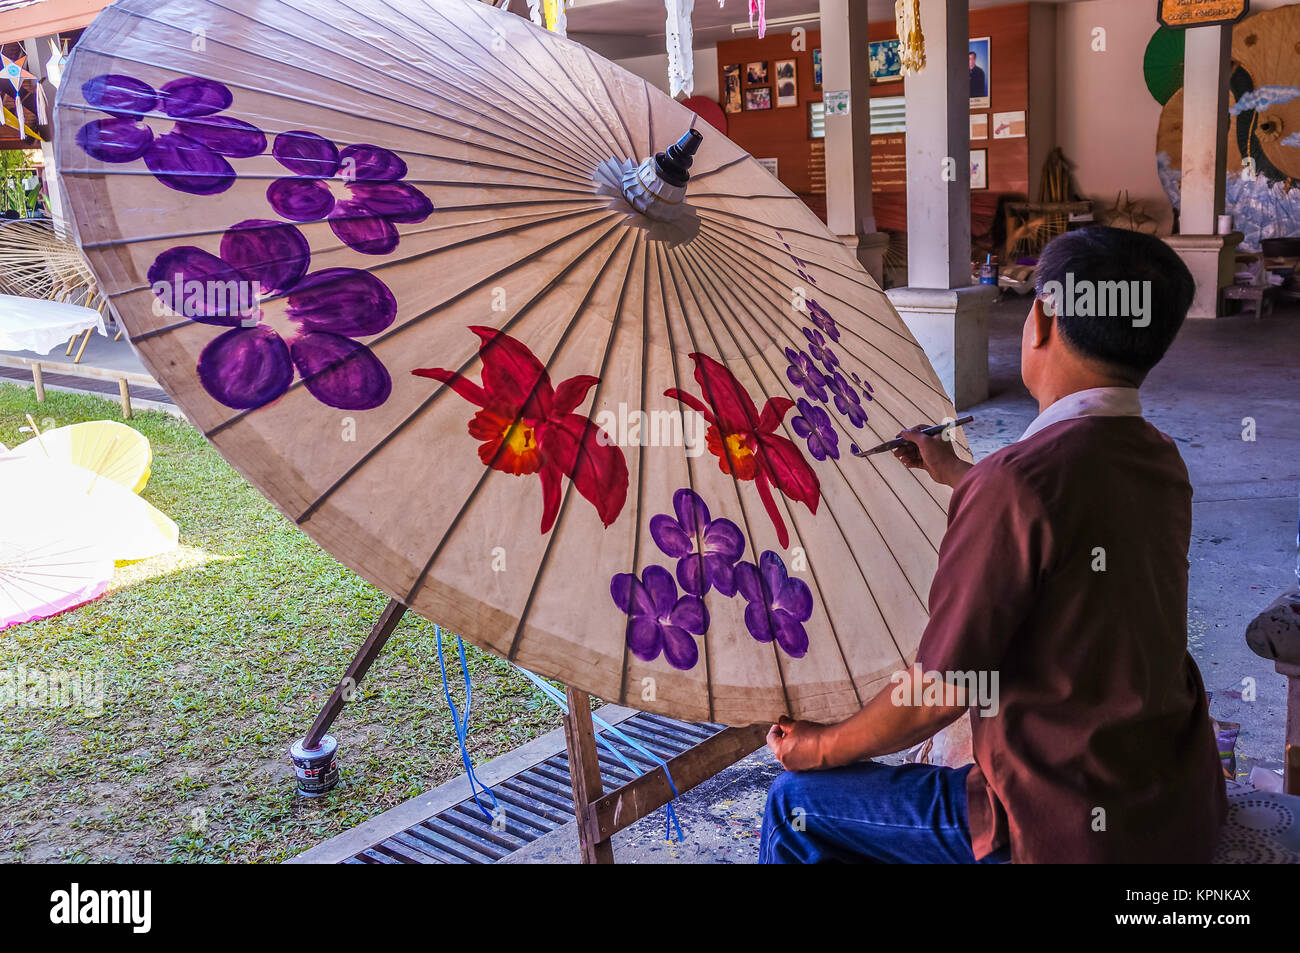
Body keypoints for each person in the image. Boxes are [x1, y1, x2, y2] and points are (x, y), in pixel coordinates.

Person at [760, 227, 1226, 864]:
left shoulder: (1017, 483)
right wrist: (961, 476)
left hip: (1061, 824)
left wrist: (818, 746)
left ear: (1041, 320)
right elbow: (1064, 527)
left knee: (792, 806)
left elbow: (939, 693)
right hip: (1169, 798)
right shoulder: (1158, 458)